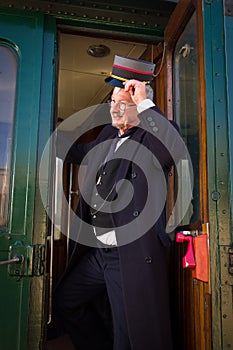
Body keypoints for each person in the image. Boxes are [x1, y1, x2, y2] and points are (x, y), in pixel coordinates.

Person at [52, 55, 187, 350]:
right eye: (113, 101)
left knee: (131, 336)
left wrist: (145, 104)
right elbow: (78, 153)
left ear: (138, 106)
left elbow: (172, 152)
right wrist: (51, 125)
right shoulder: (107, 134)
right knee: (65, 301)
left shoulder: (152, 137)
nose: (115, 107)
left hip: (130, 254)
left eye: (123, 102)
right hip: (99, 252)